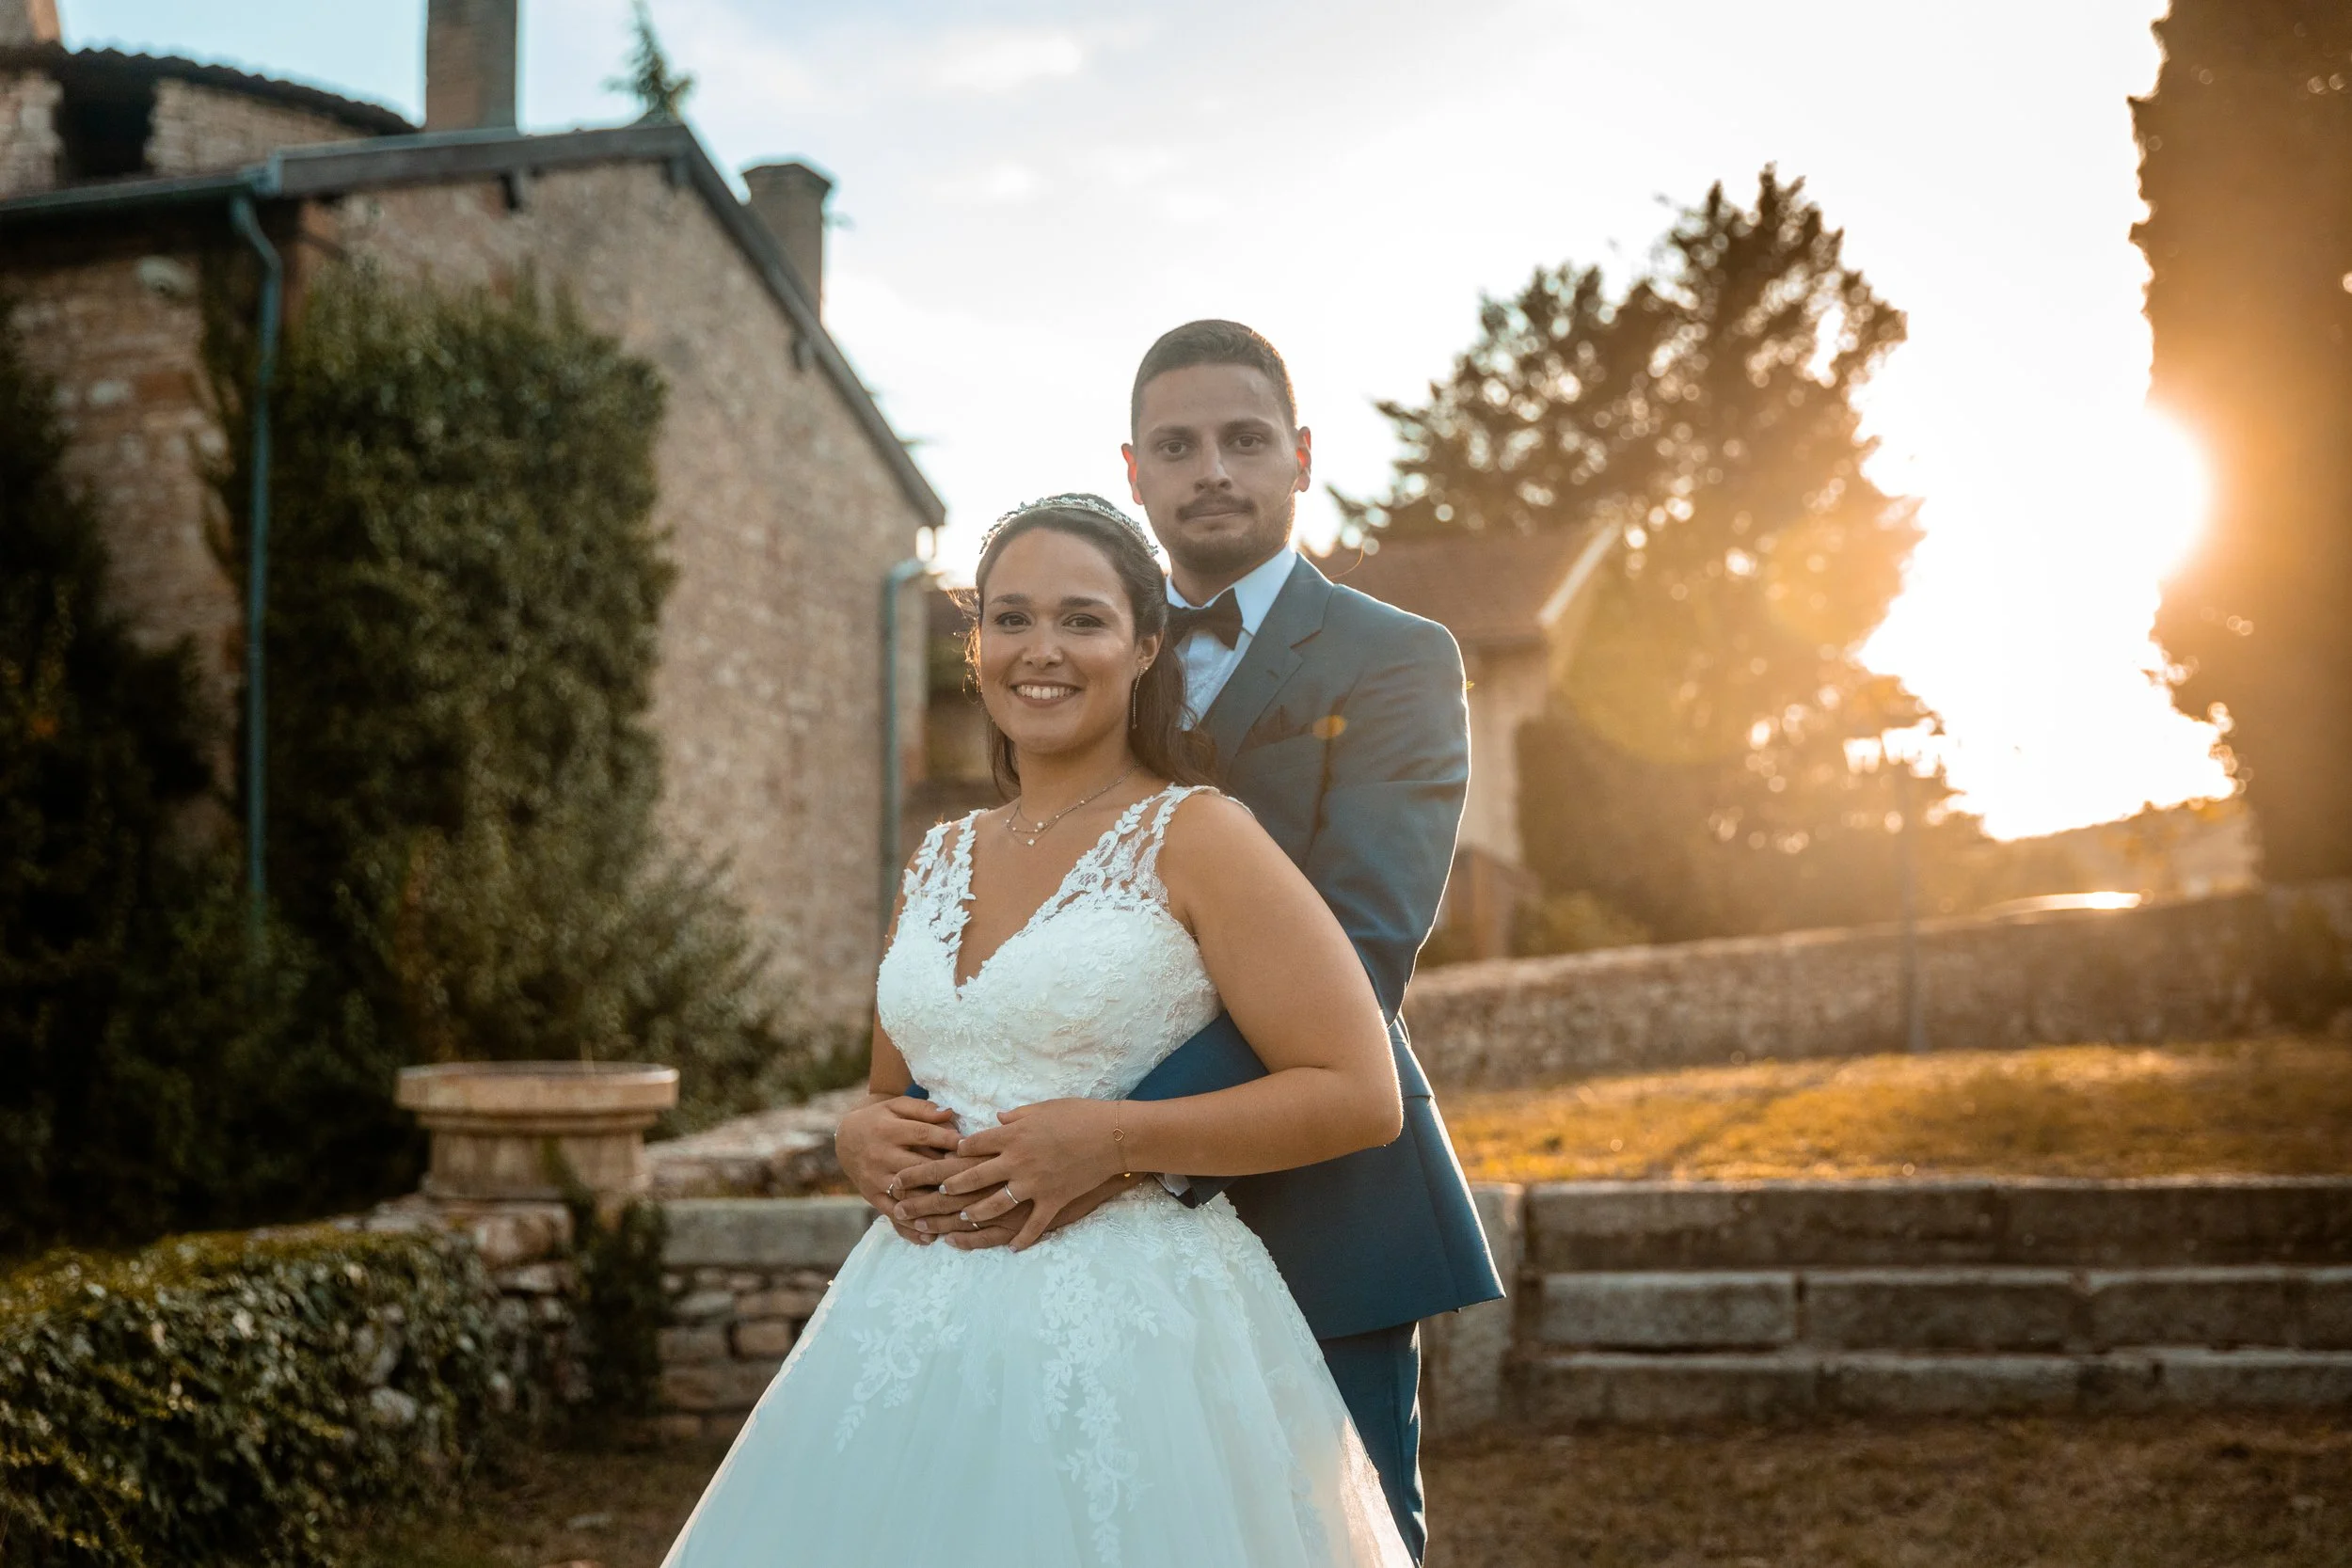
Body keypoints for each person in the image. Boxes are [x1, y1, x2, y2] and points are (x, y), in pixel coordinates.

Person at [839, 321, 1502, 1560]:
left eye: (1244, 440)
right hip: (1024, 1236)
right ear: (1133, 469)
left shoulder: (1396, 660)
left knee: (1316, 1528)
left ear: (1300, 457)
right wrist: (904, 1117)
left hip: (1317, 1201)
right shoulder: (1073, 664)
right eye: (1177, 444)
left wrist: (1104, 1136)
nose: (1212, 469)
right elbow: (1015, 955)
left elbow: (1360, 944)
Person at [661, 495, 1416, 1567]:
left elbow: (1357, 1088)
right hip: (907, 1323)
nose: (1042, 650)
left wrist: (1114, 1138)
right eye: (1010, 618)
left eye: (1082, 619)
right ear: (974, 645)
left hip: (1131, 1336)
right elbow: (893, 1089)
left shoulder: (1201, 834)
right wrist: (855, 1137)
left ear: (1146, 644)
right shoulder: (935, 854)